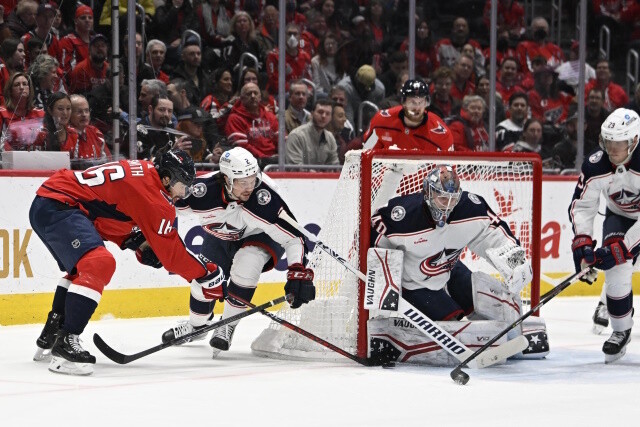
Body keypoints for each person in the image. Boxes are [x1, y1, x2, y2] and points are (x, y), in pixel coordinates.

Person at [30, 148, 225, 375]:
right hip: (61, 206)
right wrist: (204, 273)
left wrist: (135, 243)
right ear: (168, 178)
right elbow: (173, 257)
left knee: (82, 268)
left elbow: (107, 210)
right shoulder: (156, 199)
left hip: (49, 202)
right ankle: (66, 342)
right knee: (99, 263)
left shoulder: (144, 171)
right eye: (185, 184)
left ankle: (53, 332)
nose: (186, 192)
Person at [164, 147, 315, 356]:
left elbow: (294, 238)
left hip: (260, 236)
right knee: (204, 281)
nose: (249, 187)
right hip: (220, 235)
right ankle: (196, 327)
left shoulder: (265, 199)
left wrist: (297, 271)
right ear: (226, 179)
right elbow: (162, 203)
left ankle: (228, 324)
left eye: (253, 179)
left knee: (247, 263)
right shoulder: (201, 192)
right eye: (242, 182)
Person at [370, 165, 532, 328]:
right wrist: (383, 285)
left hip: (449, 270)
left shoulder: (470, 208)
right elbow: (374, 232)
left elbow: (492, 232)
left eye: (453, 198)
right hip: (414, 284)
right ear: (428, 193)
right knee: (451, 328)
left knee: (502, 310)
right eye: (443, 199)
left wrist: (515, 260)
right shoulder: (403, 215)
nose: (448, 206)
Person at [570, 108, 639, 363]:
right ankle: (621, 331)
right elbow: (583, 206)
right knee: (618, 269)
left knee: (620, 255)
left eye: (617, 142)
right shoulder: (596, 164)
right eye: (607, 141)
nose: (611, 148)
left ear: (633, 141)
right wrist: (583, 245)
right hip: (618, 216)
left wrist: (623, 247)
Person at [363, 79, 453, 151]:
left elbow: (448, 170)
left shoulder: (441, 134)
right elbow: (366, 155)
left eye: (421, 102)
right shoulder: (381, 120)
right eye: (412, 102)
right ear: (403, 102)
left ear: (427, 103)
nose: (417, 108)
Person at [224, 82, 279, 164]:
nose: (253, 96)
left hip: (274, 161)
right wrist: (265, 159)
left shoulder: (270, 116)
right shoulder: (234, 119)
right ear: (241, 98)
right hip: (250, 164)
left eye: (255, 93)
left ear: (260, 97)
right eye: (249, 94)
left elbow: (280, 140)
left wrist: (280, 157)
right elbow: (241, 147)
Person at [285, 98, 338, 166]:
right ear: (312, 114)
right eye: (320, 112)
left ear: (331, 117)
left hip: (322, 176)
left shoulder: (330, 137)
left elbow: (334, 166)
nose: (324, 116)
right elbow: (295, 167)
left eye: (327, 114)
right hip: (300, 177)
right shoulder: (296, 135)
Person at [0, 72, 44, 151]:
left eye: (25, 84)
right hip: (8, 159)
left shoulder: (40, 114)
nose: (21, 87)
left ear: (29, 89)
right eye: (17, 85)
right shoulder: (2, 113)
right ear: (10, 91)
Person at [68, 94, 111, 165]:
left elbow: (108, 161)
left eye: (86, 111)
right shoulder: (65, 135)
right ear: (69, 114)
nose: (84, 115)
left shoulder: (96, 132)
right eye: (79, 112)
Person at [58, 4, 93, 76]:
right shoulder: (68, 41)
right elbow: (65, 69)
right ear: (75, 21)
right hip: (76, 83)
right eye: (83, 18)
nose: (87, 20)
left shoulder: (96, 41)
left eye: (90, 18)